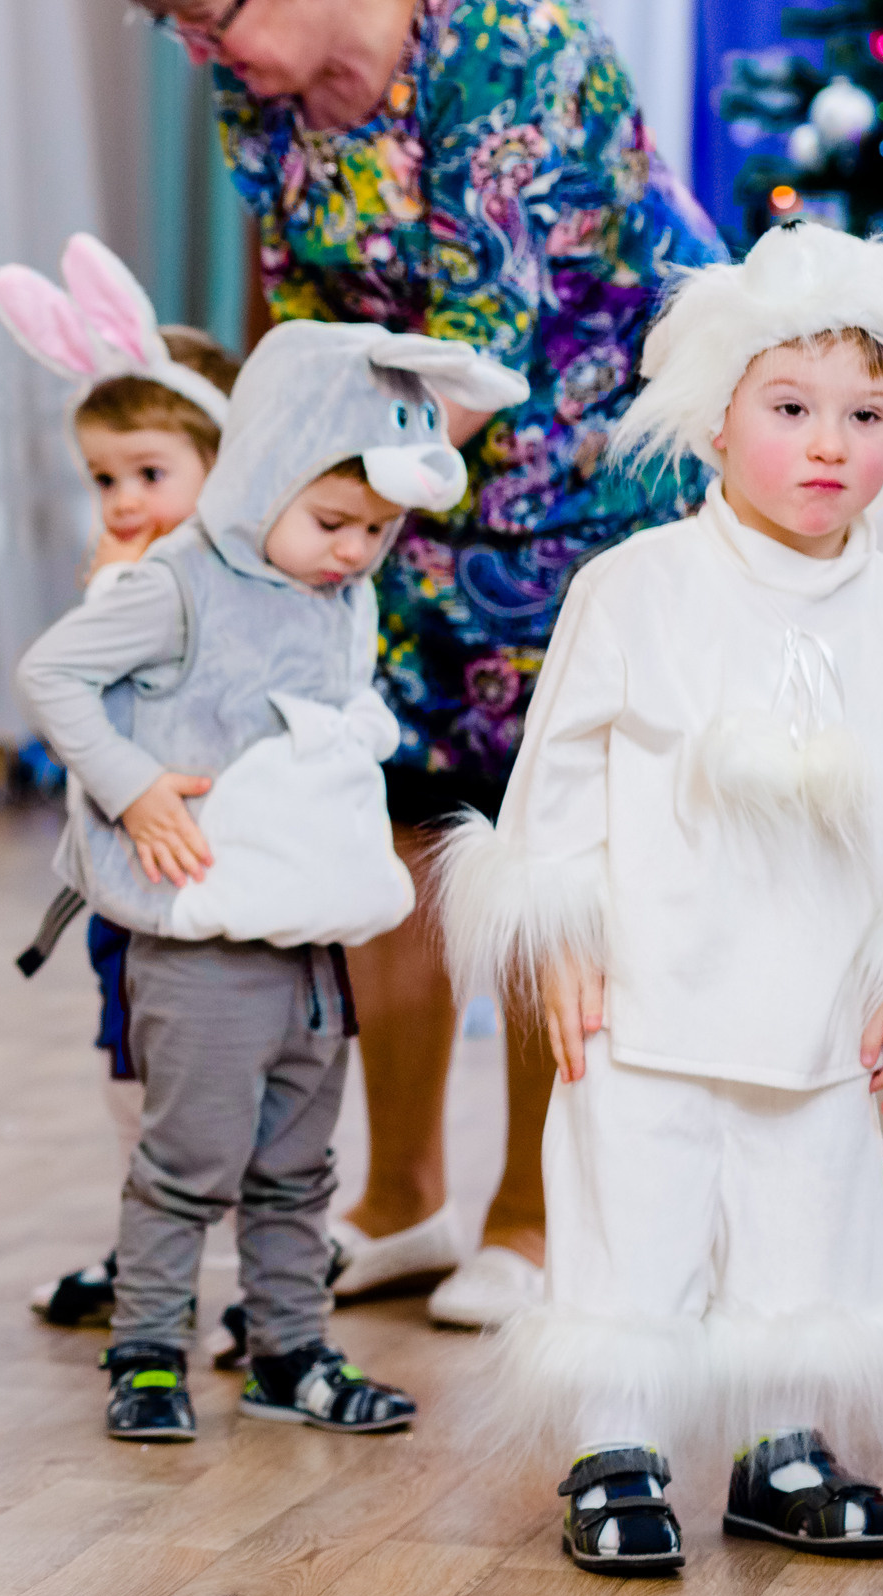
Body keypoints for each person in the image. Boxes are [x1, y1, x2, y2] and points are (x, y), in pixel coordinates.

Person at [135, 0, 724, 1327]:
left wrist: (309, 493)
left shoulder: (508, 49)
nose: (197, 45)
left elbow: (484, 344)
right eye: (169, 22)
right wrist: (280, 480)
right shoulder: (260, 93)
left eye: (205, 10)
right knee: (392, 815)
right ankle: (403, 1196)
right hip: (396, 500)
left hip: (586, 480)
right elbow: (300, 319)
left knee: (538, 835)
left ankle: (533, 1212)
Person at [441, 222, 883, 1575]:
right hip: (652, 969)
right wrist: (564, 932)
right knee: (633, 1198)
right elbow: (561, 771)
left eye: (868, 414)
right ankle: (617, 1437)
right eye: (792, 408)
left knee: (807, 1200)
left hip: (822, 974)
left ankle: (783, 1436)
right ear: (714, 421)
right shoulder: (635, 587)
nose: (832, 445)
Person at [19, 317, 527, 1443]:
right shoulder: (181, 582)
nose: (353, 550)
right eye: (332, 521)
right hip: (202, 943)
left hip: (308, 945)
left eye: (377, 531)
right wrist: (133, 782)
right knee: (190, 1156)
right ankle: (147, 1347)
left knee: (299, 1164)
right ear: (263, 475)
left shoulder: (333, 594)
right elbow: (53, 672)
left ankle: (286, 1348)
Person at [0, 236, 239, 1330]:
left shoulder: (230, 583)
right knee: (132, 1077)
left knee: (238, 1084)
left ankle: (235, 1272)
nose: (124, 499)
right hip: (128, 886)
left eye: (151, 474)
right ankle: (154, 1265)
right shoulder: (125, 579)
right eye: (104, 479)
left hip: (219, 869)